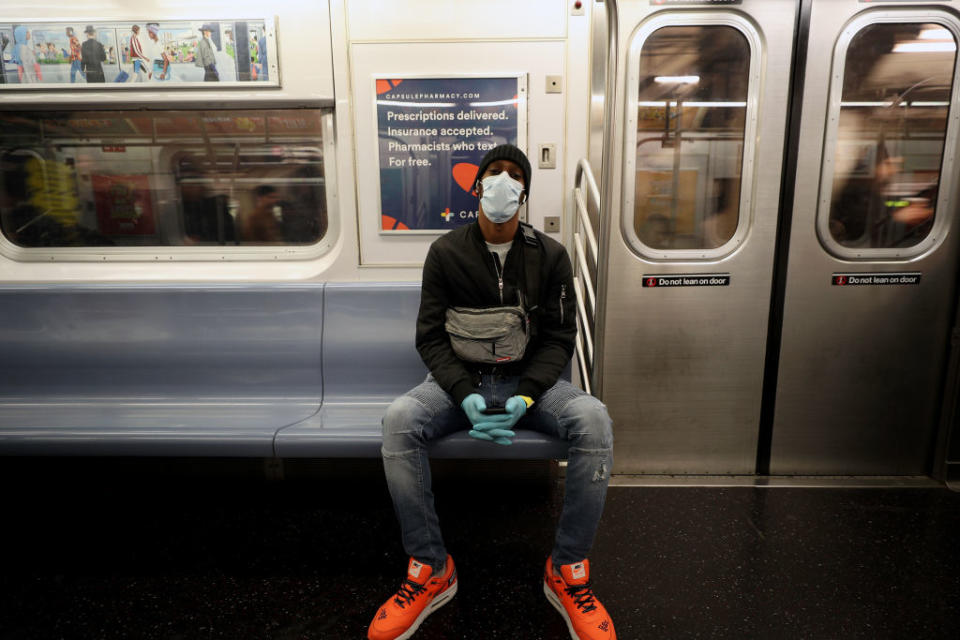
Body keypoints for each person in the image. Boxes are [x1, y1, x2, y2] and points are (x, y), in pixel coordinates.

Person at [368, 145, 616, 640]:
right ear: (476, 186)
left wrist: (526, 393)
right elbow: (432, 337)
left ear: (524, 193)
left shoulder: (551, 256)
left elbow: (558, 339)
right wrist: (461, 393)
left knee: (594, 421)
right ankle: (430, 568)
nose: (503, 181)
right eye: (494, 173)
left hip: (532, 386)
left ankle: (567, 569)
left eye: (514, 175)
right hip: (461, 382)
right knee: (399, 420)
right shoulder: (445, 253)